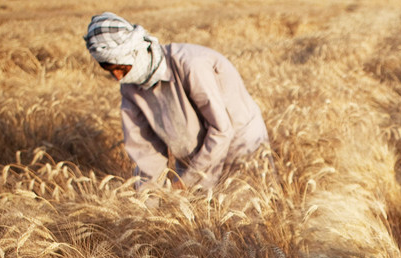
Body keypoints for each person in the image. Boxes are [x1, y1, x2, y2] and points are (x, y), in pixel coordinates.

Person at [84, 12, 271, 190]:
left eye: (121, 68)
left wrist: (185, 182)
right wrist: (148, 202)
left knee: (249, 207)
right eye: (110, 70)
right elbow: (146, 152)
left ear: (135, 52)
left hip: (240, 145)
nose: (118, 77)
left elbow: (222, 130)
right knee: (197, 212)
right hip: (193, 156)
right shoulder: (130, 88)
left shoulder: (190, 64)